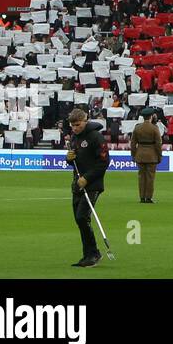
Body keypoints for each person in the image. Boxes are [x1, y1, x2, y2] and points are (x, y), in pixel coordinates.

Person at [65, 107, 109, 268]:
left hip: (93, 185)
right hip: (77, 184)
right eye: (72, 125)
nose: (75, 128)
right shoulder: (74, 138)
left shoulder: (96, 137)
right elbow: (74, 160)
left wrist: (87, 178)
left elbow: (104, 162)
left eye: (78, 125)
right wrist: (69, 158)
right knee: (79, 219)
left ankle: (93, 254)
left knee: (82, 217)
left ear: (85, 120)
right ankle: (88, 254)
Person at [130, 107, 162, 204]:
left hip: (140, 155)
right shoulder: (154, 128)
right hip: (152, 155)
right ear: (151, 116)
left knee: (141, 177)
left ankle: (142, 197)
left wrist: (134, 155)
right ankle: (148, 197)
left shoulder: (137, 127)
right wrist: (159, 156)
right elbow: (158, 144)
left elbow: (132, 144)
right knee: (150, 177)